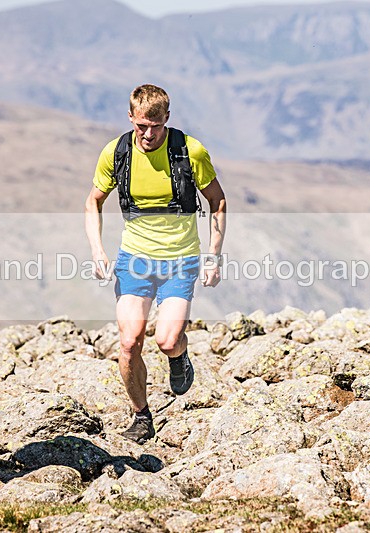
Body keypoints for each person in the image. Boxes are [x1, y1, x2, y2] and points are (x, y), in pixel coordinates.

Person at [85, 84, 227, 444]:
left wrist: (213, 255)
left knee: (166, 340)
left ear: (167, 119)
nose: (149, 135)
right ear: (131, 118)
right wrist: (97, 250)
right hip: (134, 260)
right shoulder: (116, 153)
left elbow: (218, 201)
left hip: (180, 260)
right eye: (142, 126)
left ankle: (179, 355)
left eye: (157, 126)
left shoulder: (190, 151)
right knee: (130, 342)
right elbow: (93, 203)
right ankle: (141, 416)